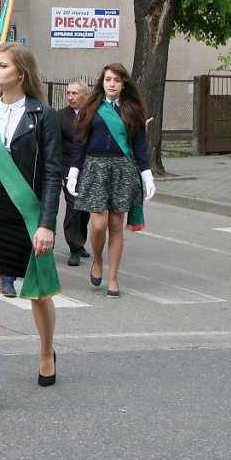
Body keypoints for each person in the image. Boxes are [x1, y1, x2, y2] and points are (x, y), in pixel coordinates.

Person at [0, 42, 61, 414]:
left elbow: (52, 173)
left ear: (21, 72)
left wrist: (47, 224)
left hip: (29, 215)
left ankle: (47, 349)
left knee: (37, 294)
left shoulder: (43, 115)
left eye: (2, 65)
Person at [66, 63, 156, 298]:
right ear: (102, 83)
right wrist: (74, 171)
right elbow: (80, 142)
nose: (112, 84)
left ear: (123, 83)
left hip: (122, 169)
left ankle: (113, 278)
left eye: (117, 79)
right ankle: (97, 259)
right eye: (108, 79)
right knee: (98, 224)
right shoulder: (91, 108)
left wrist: (147, 175)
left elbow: (139, 147)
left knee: (116, 225)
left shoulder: (132, 110)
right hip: (95, 167)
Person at [57, 80, 91, 266]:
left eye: (75, 93)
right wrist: (61, 173)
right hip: (68, 170)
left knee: (85, 209)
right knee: (73, 208)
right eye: (69, 93)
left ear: (85, 95)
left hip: (90, 170)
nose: (70, 97)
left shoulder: (93, 115)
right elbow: (56, 147)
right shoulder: (60, 117)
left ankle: (81, 241)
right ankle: (74, 248)